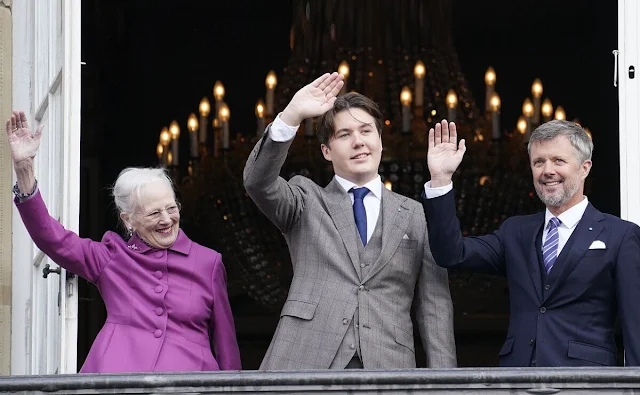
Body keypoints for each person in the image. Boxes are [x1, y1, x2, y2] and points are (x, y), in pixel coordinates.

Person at [243, 72, 456, 370]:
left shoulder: (416, 214)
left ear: (380, 140)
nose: (358, 142)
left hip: (388, 366)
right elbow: (258, 182)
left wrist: (446, 384)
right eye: (344, 135)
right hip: (305, 360)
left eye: (366, 131)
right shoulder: (305, 199)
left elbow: (435, 308)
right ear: (326, 151)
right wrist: (290, 116)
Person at [6, 111, 241, 373]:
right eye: (154, 213)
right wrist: (24, 169)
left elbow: (226, 345)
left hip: (190, 384)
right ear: (129, 220)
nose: (167, 219)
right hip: (117, 380)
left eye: (171, 208)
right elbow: (53, 239)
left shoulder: (208, 262)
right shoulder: (111, 257)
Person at [423, 119, 640, 367]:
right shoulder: (516, 231)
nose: (547, 170)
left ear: (584, 168)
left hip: (586, 382)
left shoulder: (621, 236)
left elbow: (636, 324)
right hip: (518, 379)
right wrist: (440, 180)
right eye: (539, 162)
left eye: (558, 160)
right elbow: (452, 254)